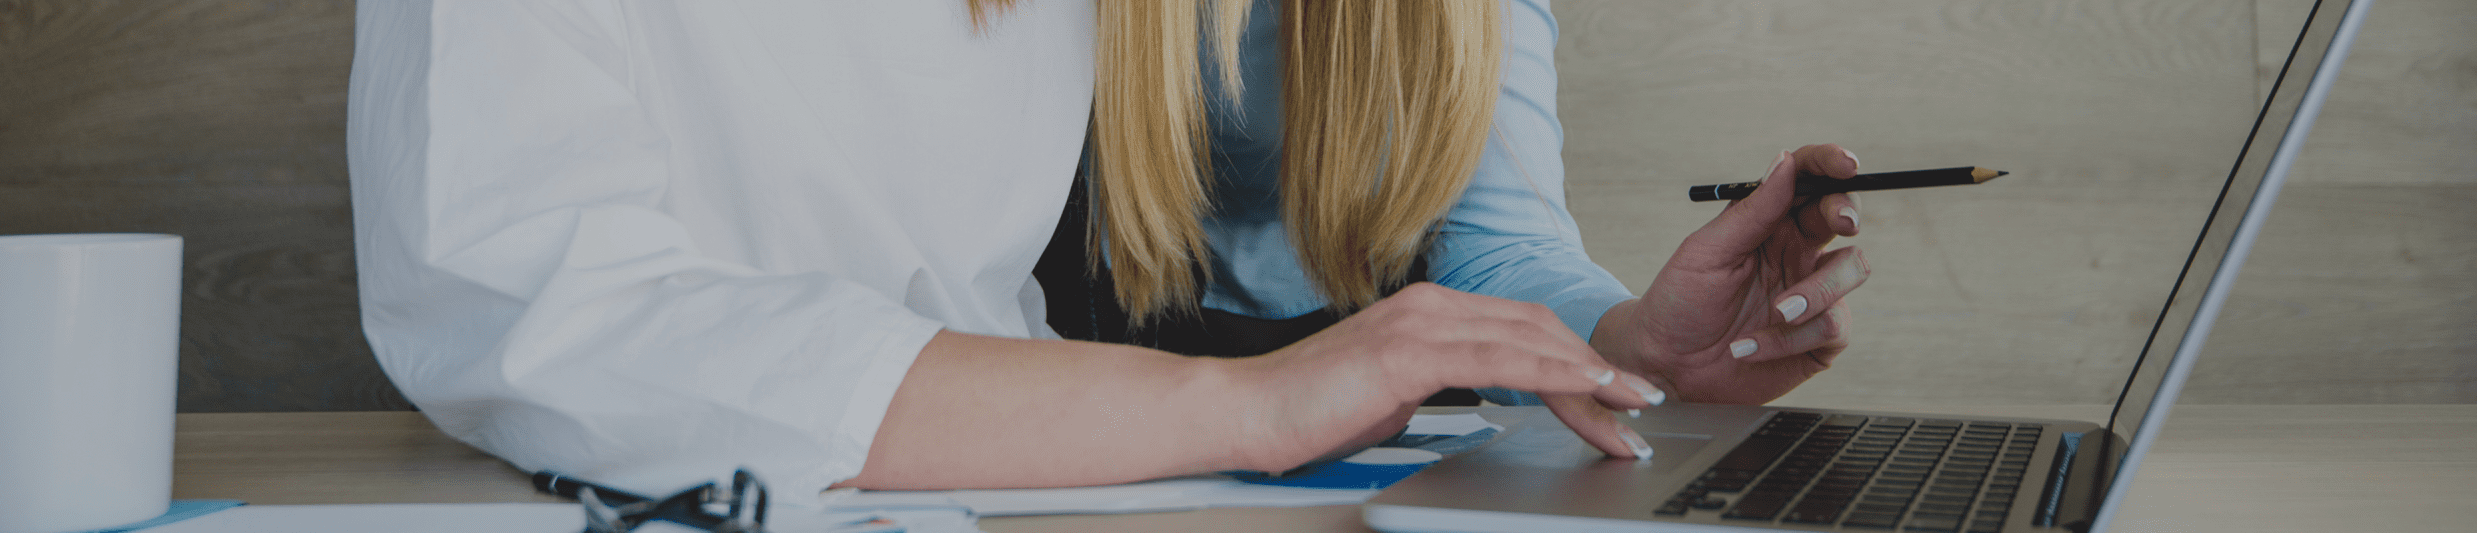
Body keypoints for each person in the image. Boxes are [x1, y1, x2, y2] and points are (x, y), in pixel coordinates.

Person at [346, 0, 1865, 505]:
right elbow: (538, 306)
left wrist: (1618, 341)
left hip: (1027, 483)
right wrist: (1250, 409)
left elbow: (1482, 206)